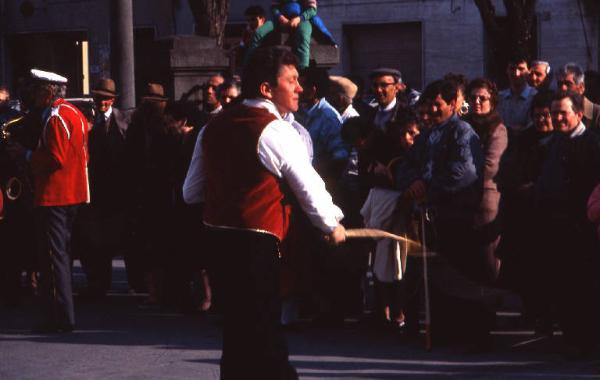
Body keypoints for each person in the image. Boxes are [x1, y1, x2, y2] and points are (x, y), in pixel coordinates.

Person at [186, 46, 345, 379]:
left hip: (216, 242)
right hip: (257, 248)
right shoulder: (274, 130)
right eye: (291, 80)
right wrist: (332, 224)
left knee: (236, 336)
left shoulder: (212, 126)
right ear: (266, 89)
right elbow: (309, 187)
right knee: (265, 336)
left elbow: (191, 192)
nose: (300, 87)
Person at [533, 91, 600, 356]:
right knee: (563, 285)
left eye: (563, 113)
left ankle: (588, 341)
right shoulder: (553, 143)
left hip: (581, 229)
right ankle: (572, 338)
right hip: (555, 228)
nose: (557, 118)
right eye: (554, 113)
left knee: (584, 286)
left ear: (579, 114)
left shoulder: (593, 145)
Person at [23, 69, 89, 332]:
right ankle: (61, 314)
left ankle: (60, 317)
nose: (35, 95)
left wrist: (27, 155)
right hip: (73, 194)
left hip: (55, 196)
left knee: (53, 258)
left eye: (39, 90)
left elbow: (55, 158)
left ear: (49, 91)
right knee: (61, 255)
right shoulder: (76, 114)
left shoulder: (55, 118)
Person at [75, 78, 131, 300]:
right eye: (98, 98)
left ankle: (106, 282)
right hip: (92, 191)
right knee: (90, 241)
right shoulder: (86, 121)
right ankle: (95, 284)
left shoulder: (124, 121)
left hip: (115, 191)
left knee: (110, 240)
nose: (102, 102)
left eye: (106, 99)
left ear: (113, 100)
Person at [464, 78, 507, 282]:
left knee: (487, 265)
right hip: (464, 203)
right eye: (473, 98)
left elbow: (490, 167)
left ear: (493, 101)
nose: (477, 102)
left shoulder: (497, 128)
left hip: (485, 201)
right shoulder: (464, 125)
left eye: (483, 98)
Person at [297, 66, 348, 187]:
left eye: (301, 85)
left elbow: (340, 157)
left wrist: (313, 172)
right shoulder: (300, 111)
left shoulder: (328, 117)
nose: (297, 89)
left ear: (313, 90)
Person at [497, 57, 537, 133]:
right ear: (507, 70)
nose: (516, 73)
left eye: (521, 69)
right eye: (512, 68)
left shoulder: (536, 96)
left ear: (529, 71)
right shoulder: (499, 97)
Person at [556, 62, 600, 131]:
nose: (563, 88)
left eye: (568, 84)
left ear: (581, 87)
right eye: (560, 84)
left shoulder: (596, 113)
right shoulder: (554, 112)